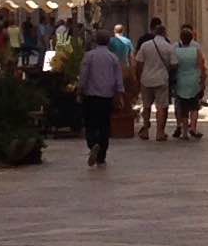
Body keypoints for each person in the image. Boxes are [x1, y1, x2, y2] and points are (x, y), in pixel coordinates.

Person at [76, 32, 125, 169]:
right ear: (108, 42)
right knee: (105, 125)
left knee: (90, 123)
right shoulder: (113, 57)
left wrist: (80, 90)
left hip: (91, 96)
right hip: (107, 97)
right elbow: (118, 78)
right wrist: (119, 95)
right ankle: (101, 155)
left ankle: (92, 144)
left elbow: (84, 75)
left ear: (95, 41)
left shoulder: (89, 56)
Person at [133, 18, 177, 139]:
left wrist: (138, 77)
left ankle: (146, 130)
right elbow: (174, 64)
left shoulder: (145, 45)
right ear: (164, 33)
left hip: (146, 79)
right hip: (162, 79)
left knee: (146, 106)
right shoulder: (169, 47)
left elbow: (139, 63)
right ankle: (159, 132)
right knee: (161, 107)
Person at [170, 24, 206, 140]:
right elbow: (201, 66)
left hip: (181, 81)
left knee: (183, 107)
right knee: (194, 107)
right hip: (194, 81)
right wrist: (202, 81)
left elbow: (173, 65)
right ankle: (193, 128)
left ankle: (184, 132)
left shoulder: (176, 51)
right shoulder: (196, 51)